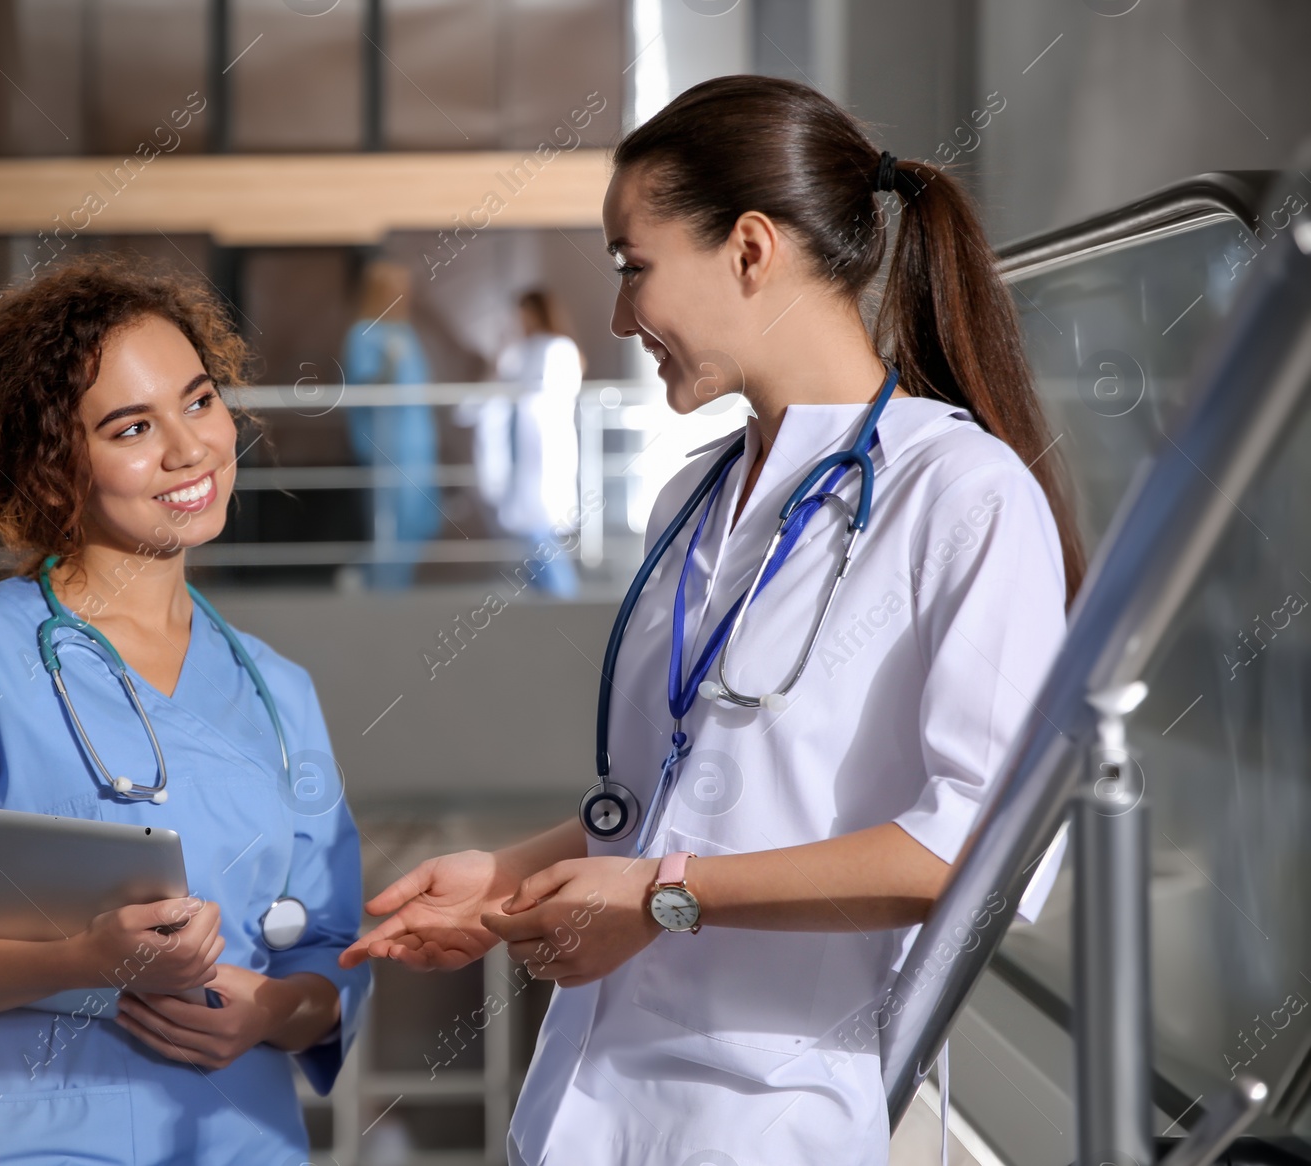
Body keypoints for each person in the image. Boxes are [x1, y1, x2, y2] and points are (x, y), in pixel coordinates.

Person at [339, 75, 1084, 1166]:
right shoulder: (690, 495)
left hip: (766, 1113)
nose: (617, 316)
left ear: (748, 248)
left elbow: (981, 846)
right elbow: (675, 796)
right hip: (580, 1110)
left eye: (631, 269)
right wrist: (505, 875)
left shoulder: (961, 494)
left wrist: (662, 895)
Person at [0, 254, 372, 1165]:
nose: (189, 450)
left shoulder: (276, 689)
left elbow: (332, 949)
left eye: (200, 400)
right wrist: (78, 964)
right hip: (26, 1140)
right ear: (51, 467)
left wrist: (273, 1010)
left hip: (241, 1137)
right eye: (132, 427)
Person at [457, 289, 585, 597]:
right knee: (531, 539)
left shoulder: (558, 348)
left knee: (539, 534)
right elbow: (476, 404)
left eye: (524, 313)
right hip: (519, 455)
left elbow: (543, 396)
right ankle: (553, 602)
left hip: (545, 454)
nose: (519, 320)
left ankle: (565, 599)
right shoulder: (518, 352)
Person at [341, 259, 442, 589]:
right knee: (391, 520)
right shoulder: (363, 334)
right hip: (386, 444)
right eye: (395, 290)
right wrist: (388, 363)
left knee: (419, 518)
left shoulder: (405, 332)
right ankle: (382, 586)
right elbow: (367, 388)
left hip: (417, 441)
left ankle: (393, 584)